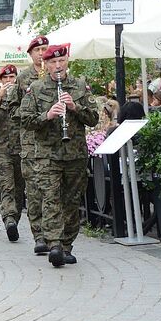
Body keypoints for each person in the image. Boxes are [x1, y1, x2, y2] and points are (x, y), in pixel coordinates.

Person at [20, 44, 99, 267]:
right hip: (47, 155)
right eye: (53, 62)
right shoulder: (36, 89)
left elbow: (93, 118)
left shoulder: (80, 86)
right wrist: (47, 115)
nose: (58, 66)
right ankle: (54, 244)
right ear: (45, 64)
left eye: (61, 61)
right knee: (51, 198)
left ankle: (66, 245)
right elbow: (25, 120)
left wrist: (75, 108)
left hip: (74, 154)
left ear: (67, 61)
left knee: (71, 201)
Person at [7, 35, 51, 254]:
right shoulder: (23, 78)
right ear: (31, 54)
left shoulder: (57, 75)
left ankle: (54, 234)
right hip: (31, 143)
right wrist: (30, 112)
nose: (42, 53)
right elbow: (12, 109)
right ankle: (39, 235)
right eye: (38, 50)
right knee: (34, 190)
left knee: (52, 191)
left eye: (45, 49)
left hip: (53, 144)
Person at [0, 64, 26, 242]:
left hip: (22, 151)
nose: (9, 81)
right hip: (2, 152)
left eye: (12, 78)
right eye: (6, 78)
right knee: (6, 187)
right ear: (1, 81)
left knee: (19, 189)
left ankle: (14, 220)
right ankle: (9, 219)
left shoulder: (24, 98)